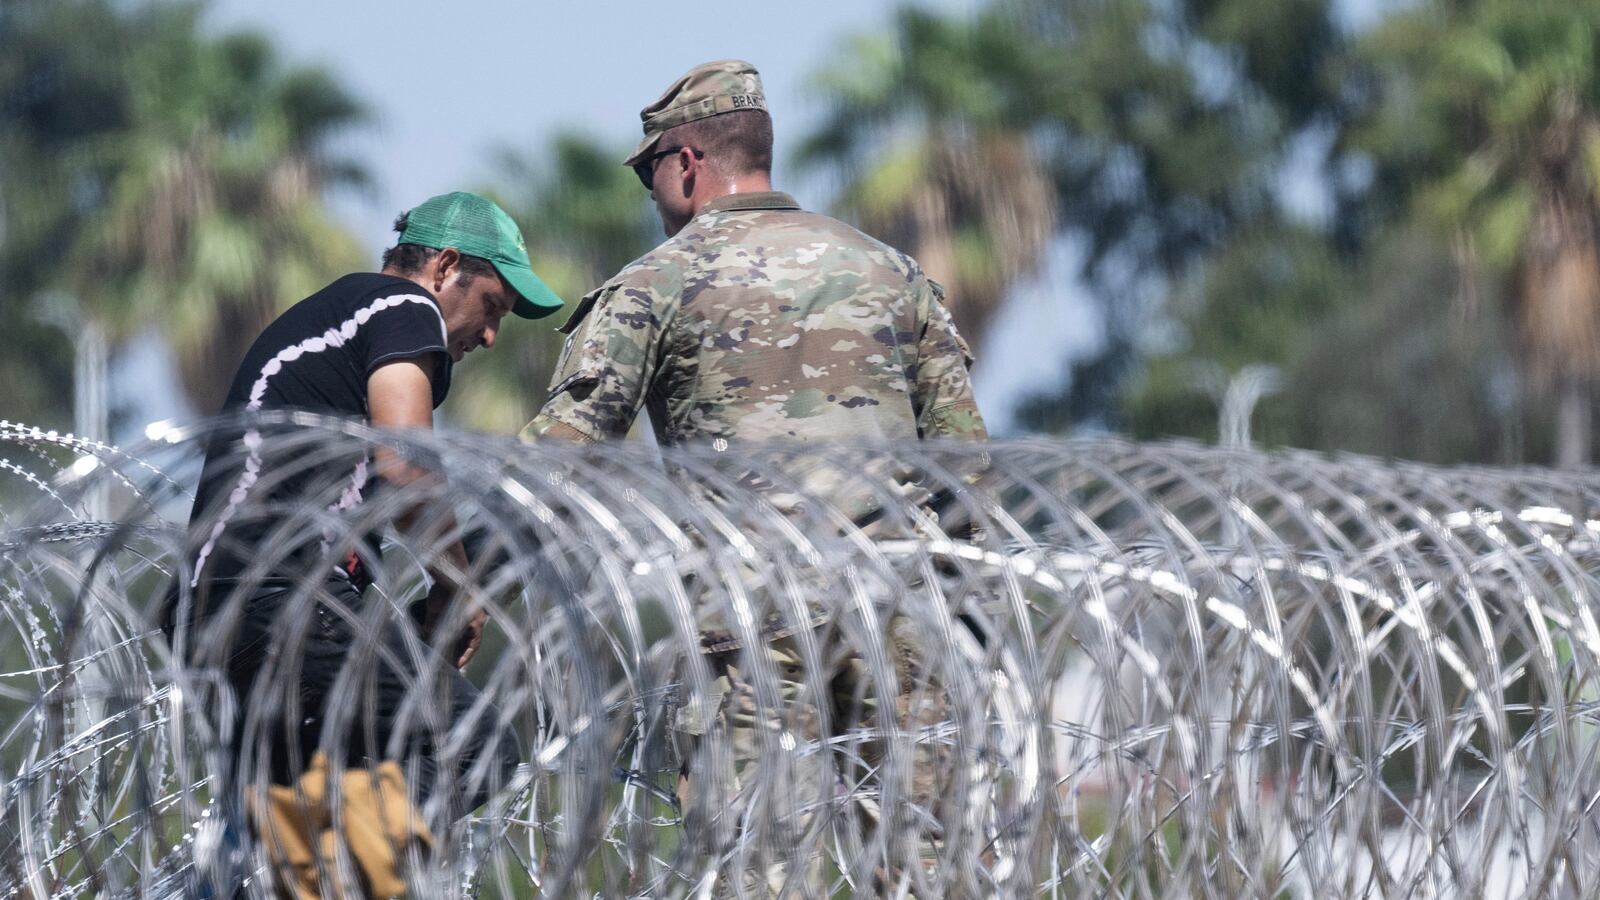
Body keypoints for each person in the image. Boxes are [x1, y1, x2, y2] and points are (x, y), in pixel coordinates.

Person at [519, 60, 986, 896]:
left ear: (686, 162)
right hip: (903, 611)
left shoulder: (654, 283)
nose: (651, 193)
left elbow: (564, 456)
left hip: (754, 621)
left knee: (757, 872)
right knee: (930, 871)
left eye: (649, 172)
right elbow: (967, 469)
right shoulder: (891, 271)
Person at [174, 191, 562, 897]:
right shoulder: (399, 308)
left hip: (232, 602)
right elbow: (407, 464)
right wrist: (458, 589)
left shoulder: (343, 320)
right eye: (494, 307)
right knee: (471, 745)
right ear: (444, 268)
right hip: (277, 593)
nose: (490, 335)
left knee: (316, 793)